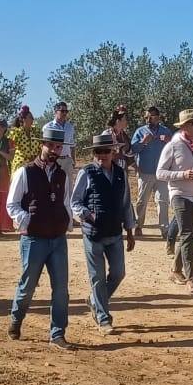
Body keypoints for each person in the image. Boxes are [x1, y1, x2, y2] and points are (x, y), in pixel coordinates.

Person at [7, 126, 75, 348]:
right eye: (51, 145)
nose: (54, 150)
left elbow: (66, 203)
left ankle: (57, 334)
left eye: (58, 146)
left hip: (57, 238)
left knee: (61, 288)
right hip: (34, 239)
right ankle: (16, 319)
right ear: (42, 145)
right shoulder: (24, 172)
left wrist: (67, 223)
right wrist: (28, 220)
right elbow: (12, 204)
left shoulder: (62, 174)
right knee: (28, 285)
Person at [72, 130, 137, 334]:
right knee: (97, 277)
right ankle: (103, 317)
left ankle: (94, 300)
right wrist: (86, 214)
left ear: (113, 152)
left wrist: (130, 230)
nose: (101, 155)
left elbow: (126, 204)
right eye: (98, 152)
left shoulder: (120, 174)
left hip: (115, 233)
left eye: (105, 151)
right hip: (93, 234)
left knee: (118, 273)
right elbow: (75, 202)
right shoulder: (86, 172)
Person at [157, 109, 193, 293]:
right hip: (179, 194)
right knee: (188, 234)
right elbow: (160, 173)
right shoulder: (173, 146)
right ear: (185, 126)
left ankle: (175, 270)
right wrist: (182, 174)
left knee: (186, 235)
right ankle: (192, 278)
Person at [132, 106, 173, 239]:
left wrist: (169, 142)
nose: (149, 119)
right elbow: (133, 150)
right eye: (147, 116)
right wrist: (143, 142)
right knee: (142, 201)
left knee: (162, 201)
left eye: (152, 116)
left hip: (162, 172)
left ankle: (164, 230)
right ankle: (138, 225)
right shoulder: (140, 131)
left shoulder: (166, 132)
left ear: (158, 117)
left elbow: (175, 148)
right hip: (145, 172)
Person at [8, 106, 40, 175]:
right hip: (21, 165)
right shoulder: (16, 132)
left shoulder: (36, 132)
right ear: (24, 119)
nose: (33, 119)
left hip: (34, 164)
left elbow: (40, 147)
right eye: (30, 117)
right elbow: (10, 148)